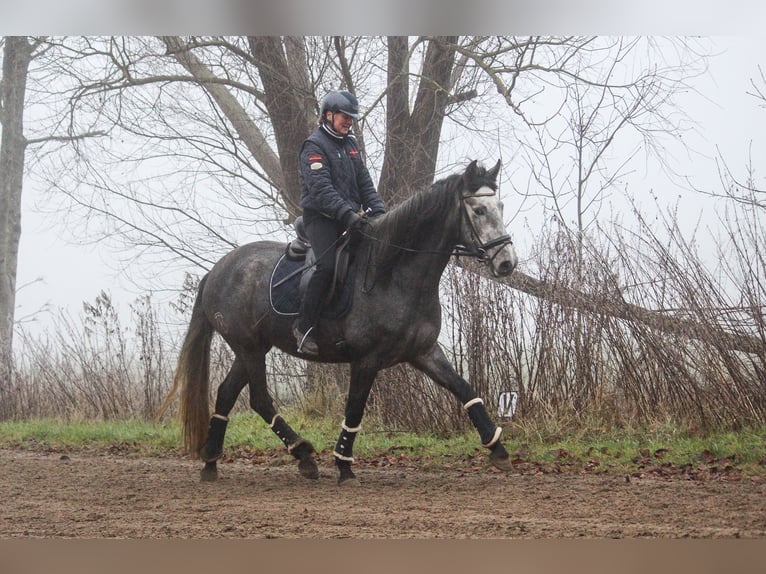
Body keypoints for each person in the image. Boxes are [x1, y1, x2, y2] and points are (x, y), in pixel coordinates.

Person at [293, 90, 386, 356]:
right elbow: (321, 191)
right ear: (329, 115)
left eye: (352, 118)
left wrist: (380, 214)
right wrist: (348, 215)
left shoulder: (351, 145)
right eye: (345, 117)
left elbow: (365, 185)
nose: (349, 122)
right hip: (321, 219)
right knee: (327, 267)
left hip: (351, 219)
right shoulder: (313, 146)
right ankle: (305, 327)